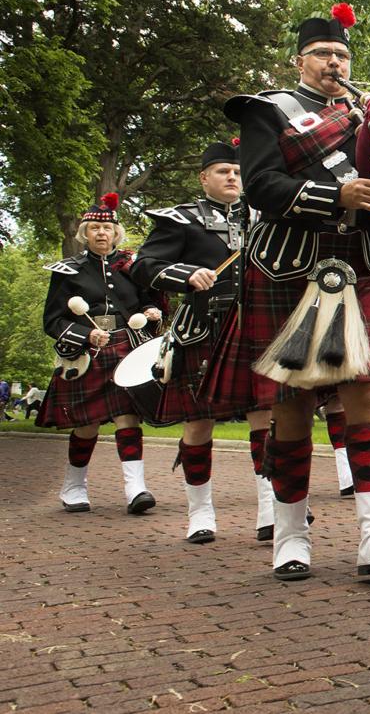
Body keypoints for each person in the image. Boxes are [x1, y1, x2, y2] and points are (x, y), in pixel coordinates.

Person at [203, 4, 370, 580]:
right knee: (293, 402)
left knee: (368, 394)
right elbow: (259, 186)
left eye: (343, 56)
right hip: (290, 268)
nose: (335, 63)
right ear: (300, 61)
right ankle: (290, 534)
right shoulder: (269, 111)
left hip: (358, 265)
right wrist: (338, 198)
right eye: (324, 55)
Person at [131, 140, 276, 544]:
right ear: (204, 177)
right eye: (222, 172)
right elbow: (144, 266)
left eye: (236, 171)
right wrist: (185, 274)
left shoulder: (263, 216)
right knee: (198, 423)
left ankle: (270, 509)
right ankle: (201, 513)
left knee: (264, 418)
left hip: (255, 328)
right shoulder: (180, 219)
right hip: (201, 331)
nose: (232, 177)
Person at [39, 194, 163, 514]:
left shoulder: (131, 267)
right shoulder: (68, 271)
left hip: (126, 349)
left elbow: (147, 301)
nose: (100, 234)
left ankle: (136, 489)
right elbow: (52, 320)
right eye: (93, 228)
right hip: (89, 354)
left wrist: (151, 311)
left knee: (128, 416)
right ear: (84, 233)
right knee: (87, 424)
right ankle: (73, 485)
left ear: (116, 233)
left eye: (106, 229)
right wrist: (85, 333)